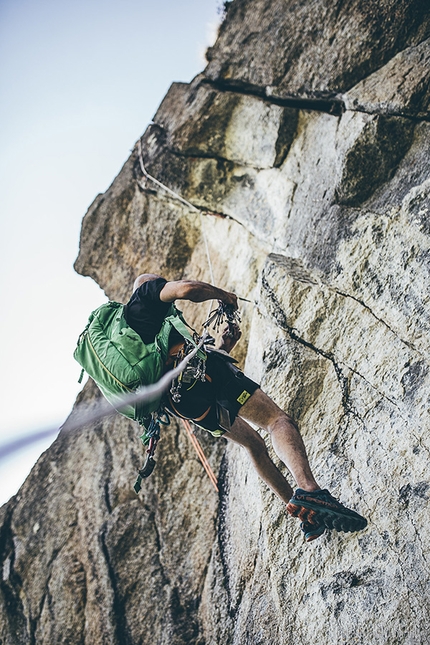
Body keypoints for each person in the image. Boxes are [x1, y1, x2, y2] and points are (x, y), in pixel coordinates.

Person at [124, 273, 368, 542]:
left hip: (187, 406)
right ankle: (309, 490)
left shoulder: (131, 340)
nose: (163, 285)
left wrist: (224, 347)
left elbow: (181, 371)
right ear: (148, 285)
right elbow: (188, 289)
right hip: (203, 376)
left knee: (253, 445)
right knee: (275, 420)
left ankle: (306, 518)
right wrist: (223, 296)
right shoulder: (146, 296)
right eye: (160, 281)